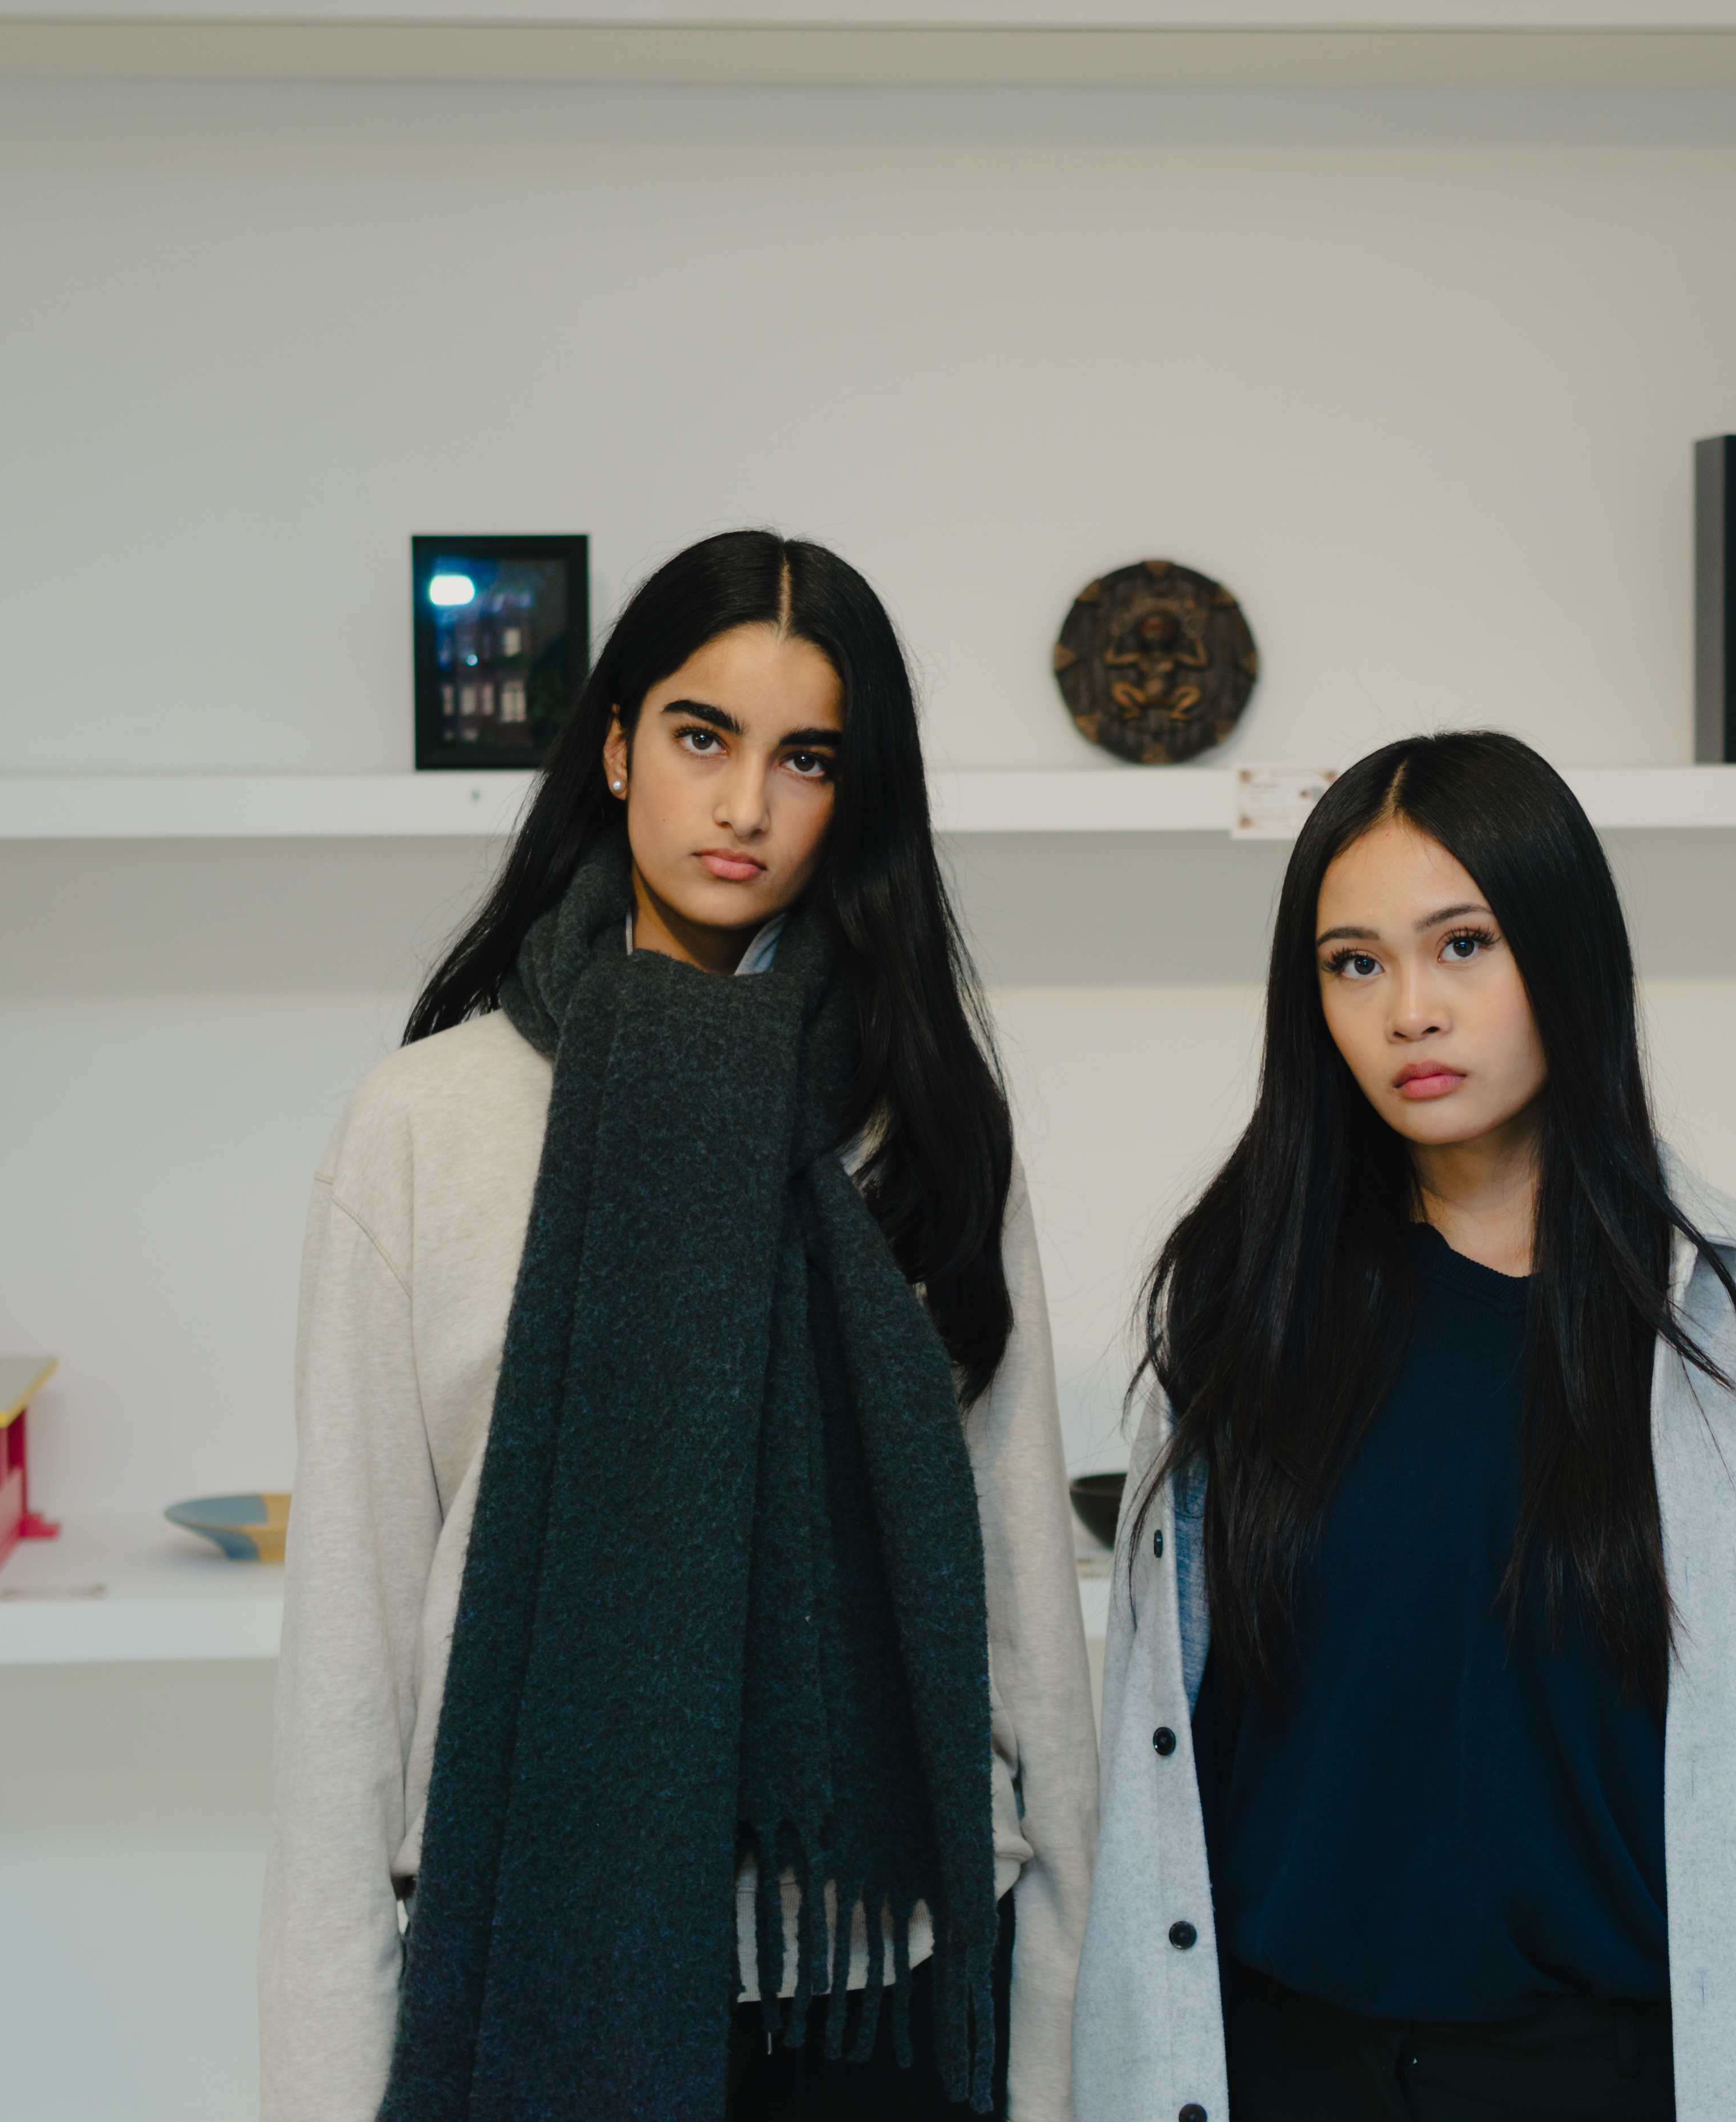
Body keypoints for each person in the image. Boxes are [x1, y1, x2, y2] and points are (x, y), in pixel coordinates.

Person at [1074, 732, 1736, 2122]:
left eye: (1464, 944)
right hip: (1276, 2069)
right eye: (1354, 962)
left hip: (1613, 2078)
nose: (1409, 1010)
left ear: (1567, 953)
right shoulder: (1241, 1319)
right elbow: (1163, 1777)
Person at [262, 530, 1096, 2122]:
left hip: (890, 1986)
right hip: (534, 1959)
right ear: (620, 742)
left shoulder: (921, 1120)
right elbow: (347, 1662)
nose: (745, 807)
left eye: (807, 759)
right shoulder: (429, 1123)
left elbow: (1019, 1607)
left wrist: (1058, 2046)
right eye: (705, 737)